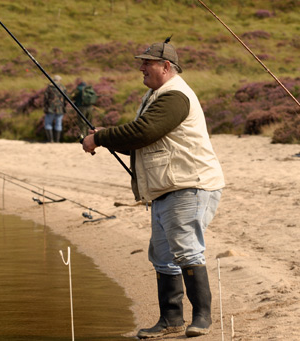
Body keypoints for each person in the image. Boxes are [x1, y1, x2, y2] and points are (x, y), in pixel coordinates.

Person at [82, 39, 225, 338]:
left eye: (147, 63)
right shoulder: (155, 95)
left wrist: (102, 137)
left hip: (190, 185)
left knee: (186, 250)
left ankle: (202, 318)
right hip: (167, 188)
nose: (141, 67)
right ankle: (171, 321)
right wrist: (105, 138)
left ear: (166, 67)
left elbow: (144, 131)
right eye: (142, 62)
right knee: (162, 255)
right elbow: (143, 141)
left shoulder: (175, 96)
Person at [43, 75, 67, 143]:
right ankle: (57, 141)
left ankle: (50, 140)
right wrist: (64, 106)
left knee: (48, 123)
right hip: (60, 109)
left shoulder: (49, 87)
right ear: (59, 80)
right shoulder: (63, 87)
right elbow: (66, 99)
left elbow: (45, 98)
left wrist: (45, 107)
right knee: (58, 124)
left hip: (50, 108)